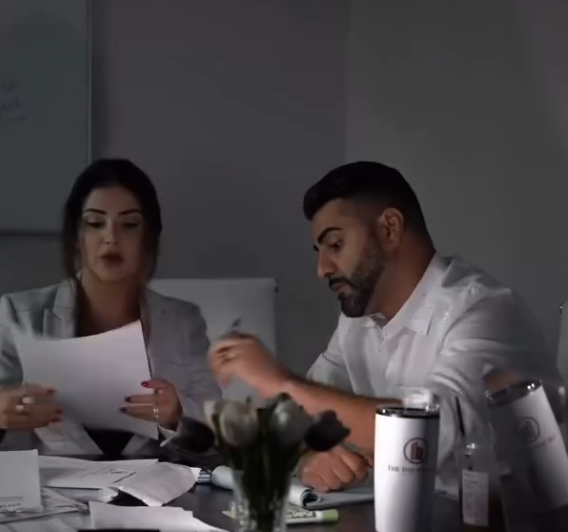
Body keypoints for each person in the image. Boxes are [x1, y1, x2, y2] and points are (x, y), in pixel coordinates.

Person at [210, 161, 562, 492]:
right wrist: (307, 457)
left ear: (390, 228)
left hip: (515, 524)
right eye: (320, 251)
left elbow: (428, 436)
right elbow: (302, 419)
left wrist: (282, 381)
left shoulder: (484, 311)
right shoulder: (356, 324)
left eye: (335, 245)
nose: (322, 269)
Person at [0, 158, 221, 455]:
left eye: (129, 225)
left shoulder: (183, 320)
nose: (111, 238)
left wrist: (177, 415)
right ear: (76, 236)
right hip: (53, 482)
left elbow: (216, 433)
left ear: (148, 237)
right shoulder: (16, 314)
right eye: (95, 223)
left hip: (155, 481)